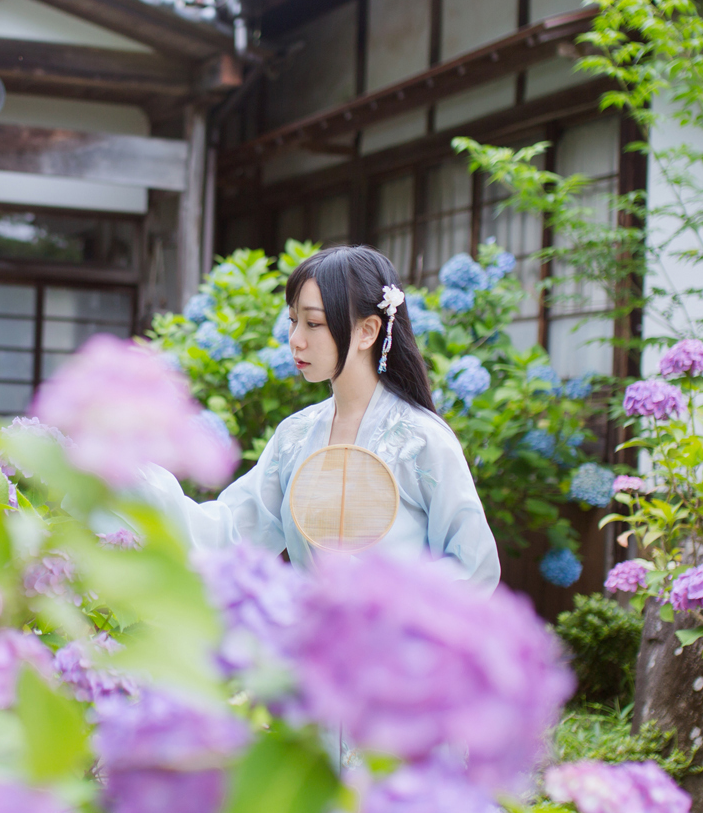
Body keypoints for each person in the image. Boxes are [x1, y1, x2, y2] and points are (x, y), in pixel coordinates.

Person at [138, 245, 499, 588]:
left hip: (397, 646)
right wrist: (133, 480)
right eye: (294, 321)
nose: (295, 339)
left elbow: (473, 566)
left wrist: (390, 601)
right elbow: (230, 534)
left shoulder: (421, 439)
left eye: (313, 323)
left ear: (367, 331)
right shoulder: (295, 436)